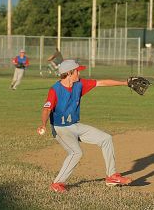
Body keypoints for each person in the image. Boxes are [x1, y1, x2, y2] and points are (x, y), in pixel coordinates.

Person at [37, 59, 132, 192]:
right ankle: (57, 183)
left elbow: (102, 82)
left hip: (75, 125)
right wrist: (43, 124)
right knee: (76, 152)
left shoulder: (79, 84)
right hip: (61, 129)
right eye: (77, 71)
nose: (79, 73)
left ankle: (111, 176)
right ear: (69, 73)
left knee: (106, 138)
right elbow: (46, 109)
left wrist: (125, 83)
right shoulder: (55, 90)